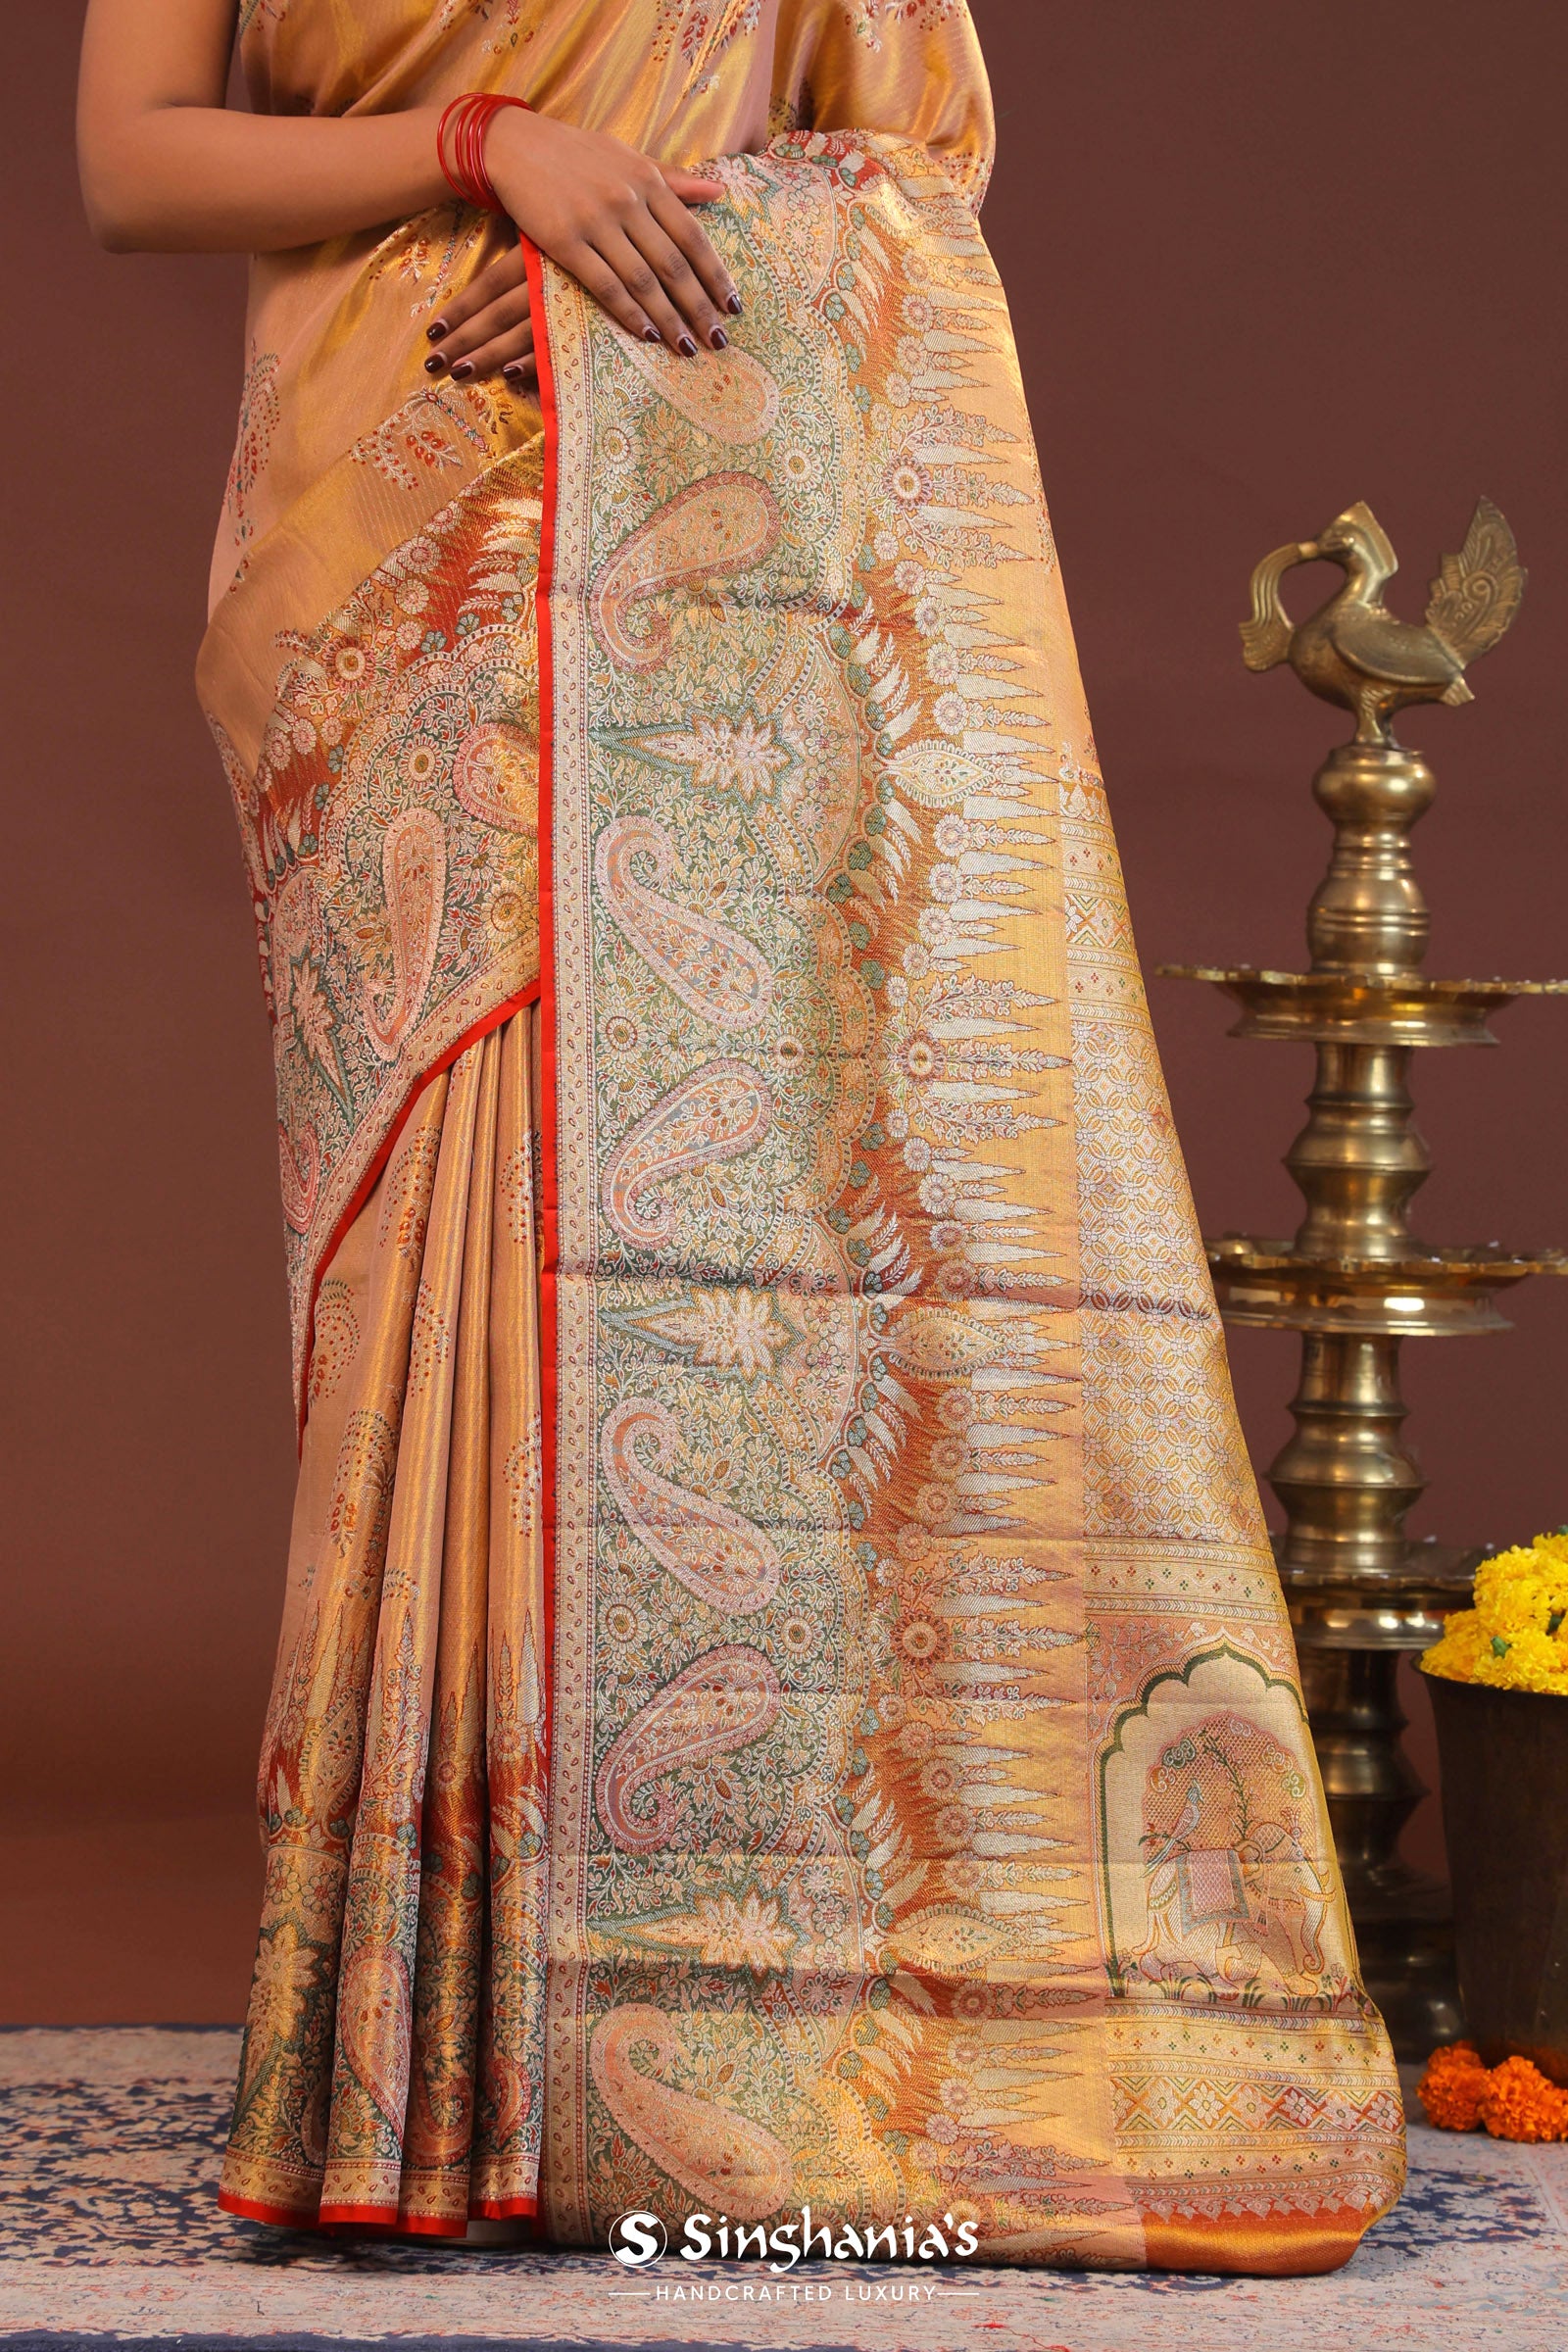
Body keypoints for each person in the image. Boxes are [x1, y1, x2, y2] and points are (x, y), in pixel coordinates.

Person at [77, 0, 1404, 2271]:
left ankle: (700, 2043)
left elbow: (915, 177)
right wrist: (490, 144)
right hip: (382, 532)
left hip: (676, 515)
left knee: (704, 1281)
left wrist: (681, 259)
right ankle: (429, 2069)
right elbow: (135, 161)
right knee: (441, 1274)